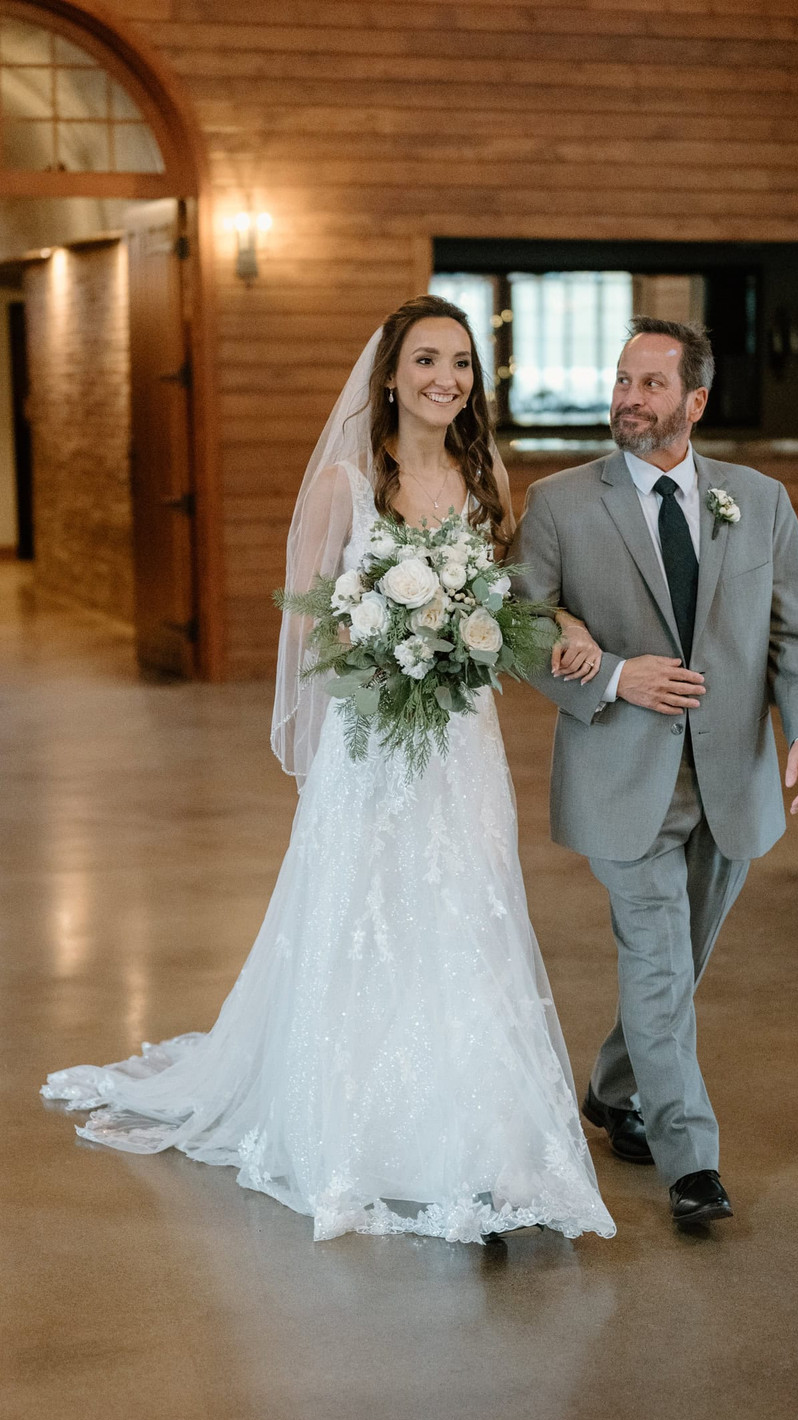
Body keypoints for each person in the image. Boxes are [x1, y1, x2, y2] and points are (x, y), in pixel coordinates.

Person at [42, 296, 615, 1246]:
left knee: (469, 909)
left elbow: (510, 597)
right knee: (368, 913)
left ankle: (479, 1126)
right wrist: (389, 640)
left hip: (461, 740)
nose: (447, 380)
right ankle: (363, 1125)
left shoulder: (483, 479)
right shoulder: (345, 486)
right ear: (390, 375)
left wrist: (563, 624)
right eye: (428, 361)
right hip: (375, 742)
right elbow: (310, 627)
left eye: (463, 365)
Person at [512, 316, 798, 1228]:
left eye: (650, 384)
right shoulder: (562, 502)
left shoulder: (758, 499)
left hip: (733, 780)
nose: (627, 398)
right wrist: (615, 673)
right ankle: (691, 1158)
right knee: (657, 963)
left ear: (694, 401)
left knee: (677, 964)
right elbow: (521, 632)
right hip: (622, 778)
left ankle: (614, 1089)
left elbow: (795, 634)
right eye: (621, 380)